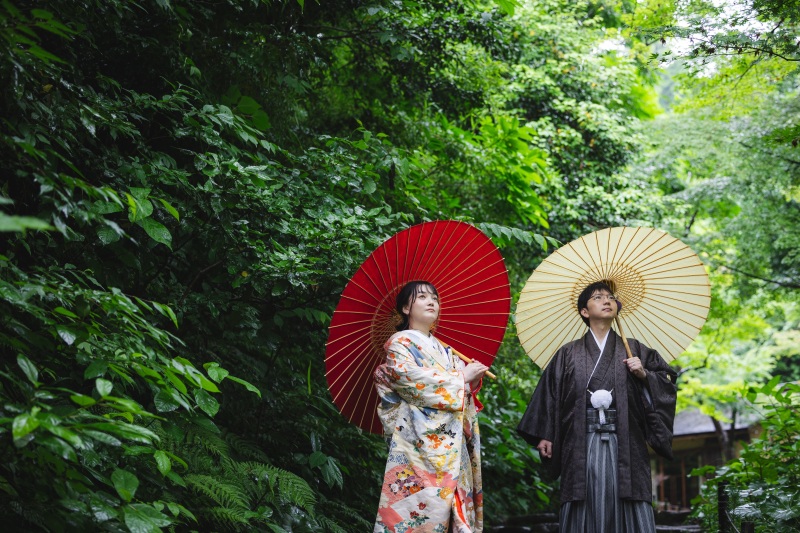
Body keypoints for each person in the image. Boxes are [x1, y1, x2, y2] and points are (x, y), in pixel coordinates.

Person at [517, 281, 677, 533]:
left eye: (611, 297)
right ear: (584, 311)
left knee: (630, 494)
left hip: (626, 440)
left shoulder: (633, 349)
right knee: (584, 496)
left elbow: (667, 383)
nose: (607, 301)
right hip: (581, 440)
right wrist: (545, 434)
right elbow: (550, 394)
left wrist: (644, 374)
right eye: (598, 297)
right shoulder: (567, 354)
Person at [373, 280, 489, 533]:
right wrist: (461, 379)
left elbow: (460, 395)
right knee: (421, 513)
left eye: (435, 298)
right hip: (418, 444)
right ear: (405, 308)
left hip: (452, 444)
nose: (431, 302)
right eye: (422, 297)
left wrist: (471, 381)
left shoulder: (445, 350)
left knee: (452, 513)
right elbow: (408, 380)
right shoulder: (399, 343)